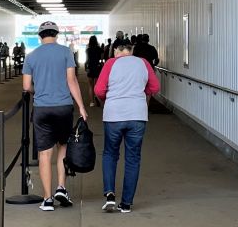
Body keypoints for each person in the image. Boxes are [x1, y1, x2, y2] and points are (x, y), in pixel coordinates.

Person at [22, 20, 88, 212]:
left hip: (42, 109)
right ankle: (61, 187)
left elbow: (26, 87)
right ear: (56, 34)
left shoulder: (31, 56)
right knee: (63, 146)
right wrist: (82, 107)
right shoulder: (65, 52)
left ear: (39, 36)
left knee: (44, 153)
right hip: (63, 107)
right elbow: (72, 80)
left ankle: (47, 198)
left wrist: (39, 90)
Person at [95, 37, 160, 214]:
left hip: (114, 115)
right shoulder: (143, 63)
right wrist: (140, 92)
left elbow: (99, 90)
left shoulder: (110, 64)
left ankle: (109, 194)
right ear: (131, 50)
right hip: (137, 115)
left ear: (116, 50)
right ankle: (126, 203)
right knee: (133, 158)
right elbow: (154, 87)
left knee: (110, 154)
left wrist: (108, 98)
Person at [84, 35, 103, 106]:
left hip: (90, 67)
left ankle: (92, 102)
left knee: (90, 86)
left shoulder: (88, 50)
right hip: (97, 67)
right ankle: (97, 97)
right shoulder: (99, 49)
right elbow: (101, 59)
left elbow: (86, 60)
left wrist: (86, 67)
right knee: (97, 85)